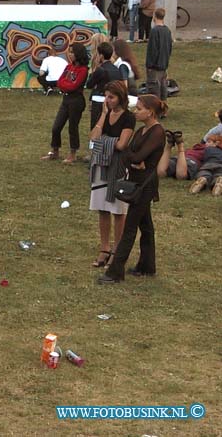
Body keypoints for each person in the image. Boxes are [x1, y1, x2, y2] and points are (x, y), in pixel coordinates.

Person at [99, 95, 167, 283]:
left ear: (150, 112)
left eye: (139, 109)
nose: (135, 112)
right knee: (146, 225)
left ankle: (115, 272)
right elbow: (129, 154)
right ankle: (147, 266)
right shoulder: (142, 131)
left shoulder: (157, 132)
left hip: (145, 185)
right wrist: (134, 158)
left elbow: (135, 156)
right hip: (137, 181)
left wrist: (136, 158)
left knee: (130, 228)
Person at [88, 81, 136, 268]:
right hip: (101, 165)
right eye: (106, 97)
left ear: (120, 98)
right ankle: (104, 248)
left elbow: (122, 144)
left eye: (112, 97)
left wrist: (104, 141)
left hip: (117, 167)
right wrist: (103, 115)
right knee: (102, 208)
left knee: (117, 210)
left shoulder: (128, 118)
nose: (108, 100)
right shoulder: (106, 114)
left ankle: (117, 249)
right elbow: (93, 137)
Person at [41, 43, 90, 164]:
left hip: (76, 101)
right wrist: (65, 86)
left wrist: (65, 86)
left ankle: (73, 154)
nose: (70, 54)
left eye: (73, 52)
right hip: (66, 99)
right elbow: (60, 81)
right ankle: (55, 151)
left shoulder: (83, 70)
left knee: (73, 128)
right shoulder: (69, 67)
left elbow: (74, 85)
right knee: (56, 127)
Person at [86, 41, 123, 128]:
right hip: (113, 101)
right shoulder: (116, 69)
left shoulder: (100, 70)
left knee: (96, 125)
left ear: (101, 56)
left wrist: (94, 71)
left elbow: (89, 84)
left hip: (99, 100)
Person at [146, 8, 172, 101]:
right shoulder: (167, 31)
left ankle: (156, 109)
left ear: (154, 17)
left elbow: (153, 49)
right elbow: (169, 48)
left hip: (154, 66)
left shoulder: (154, 31)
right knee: (163, 87)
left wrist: (150, 65)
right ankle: (163, 108)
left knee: (154, 88)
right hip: (164, 64)